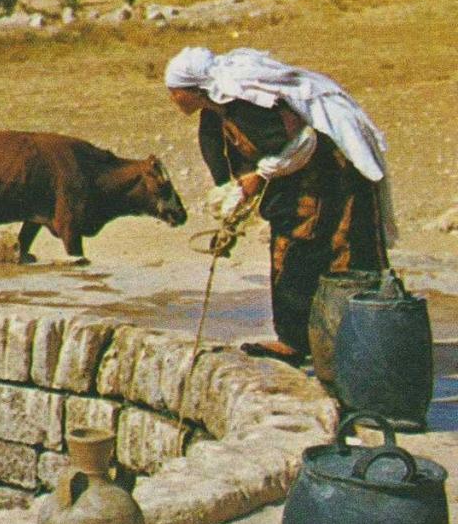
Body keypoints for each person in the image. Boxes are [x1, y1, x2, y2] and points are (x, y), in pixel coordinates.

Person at [165, 46, 394, 365]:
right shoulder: (212, 119)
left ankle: (359, 338)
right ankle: (298, 339)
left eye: (174, 91)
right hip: (296, 179)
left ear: (193, 89)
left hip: (330, 173)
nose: (172, 98)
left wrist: (261, 176)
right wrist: (232, 218)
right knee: (289, 248)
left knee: (339, 250)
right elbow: (233, 178)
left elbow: (305, 141)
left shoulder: (248, 108)